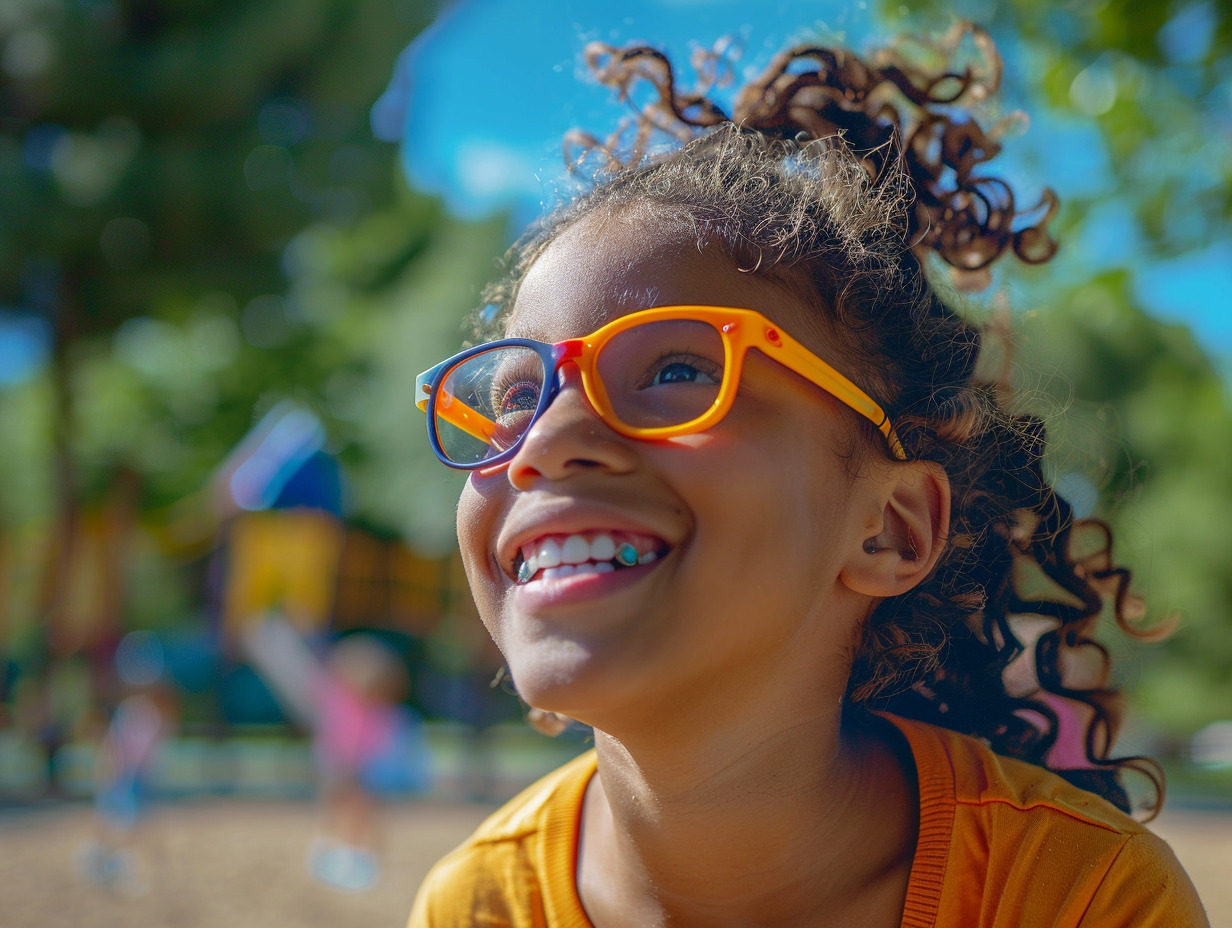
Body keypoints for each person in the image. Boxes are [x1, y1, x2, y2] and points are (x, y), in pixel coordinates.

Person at [407, 24, 1208, 926]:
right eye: (515, 396)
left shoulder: (1079, 897)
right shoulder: (474, 907)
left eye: (677, 371)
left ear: (891, 528)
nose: (546, 440)